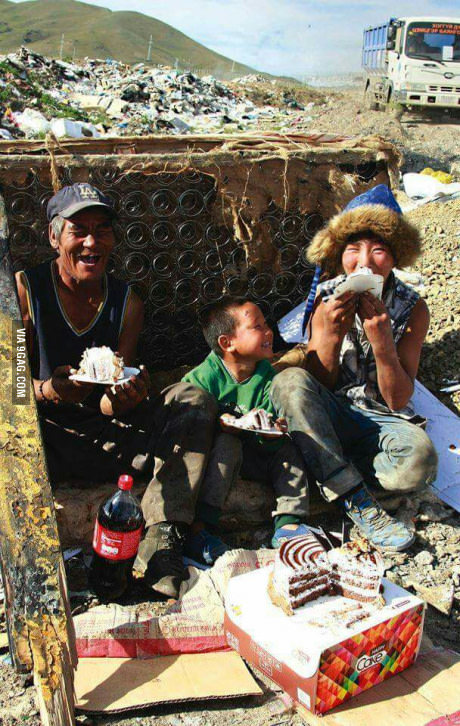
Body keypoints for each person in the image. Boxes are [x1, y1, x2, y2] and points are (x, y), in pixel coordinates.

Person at [15, 182, 218, 599]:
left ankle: (162, 539)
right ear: (55, 237)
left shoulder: (127, 304)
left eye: (102, 229)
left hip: (106, 439)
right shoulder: (24, 292)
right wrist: (49, 391)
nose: (92, 242)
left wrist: (124, 397)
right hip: (44, 439)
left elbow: (111, 397)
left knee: (192, 400)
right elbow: (12, 385)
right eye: (79, 230)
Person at [271, 185, 438, 552]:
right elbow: (317, 385)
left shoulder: (413, 309)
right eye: (353, 249)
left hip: (379, 421)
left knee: (419, 461)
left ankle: (328, 465)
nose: (364, 262)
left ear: (395, 257)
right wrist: (330, 335)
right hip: (331, 412)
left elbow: (397, 400)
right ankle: (355, 497)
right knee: (288, 382)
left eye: (378, 250)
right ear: (339, 255)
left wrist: (382, 343)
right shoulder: (325, 297)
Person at [182, 296, 312, 550]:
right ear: (227, 343)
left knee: (289, 450)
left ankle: (289, 521)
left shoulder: (265, 374)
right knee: (228, 444)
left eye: (266, 324)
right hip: (216, 460)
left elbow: (268, 422)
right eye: (257, 327)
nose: (269, 332)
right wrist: (220, 422)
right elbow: (185, 417)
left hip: (253, 453)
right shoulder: (203, 377)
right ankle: (202, 528)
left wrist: (273, 431)